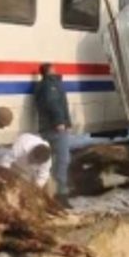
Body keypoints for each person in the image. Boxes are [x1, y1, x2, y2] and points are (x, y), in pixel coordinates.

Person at [34, 63, 72, 202]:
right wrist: (60, 122)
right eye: (54, 68)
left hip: (47, 128)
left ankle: (47, 193)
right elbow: (53, 103)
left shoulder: (42, 85)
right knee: (62, 160)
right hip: (55, 128)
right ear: (50, 71)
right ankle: (61, 194)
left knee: (48, 162)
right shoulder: (51, 85)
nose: (56, 70)